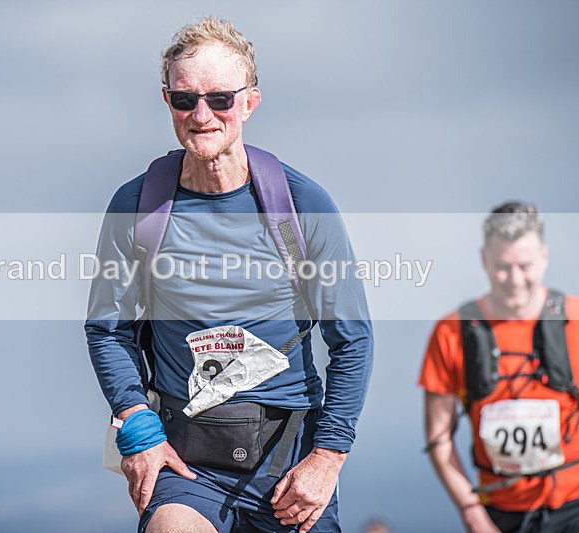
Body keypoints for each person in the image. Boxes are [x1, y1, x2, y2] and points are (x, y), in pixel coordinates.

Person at [84, 16, 373, 533]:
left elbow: (352, 340)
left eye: (219, 99)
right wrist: (138, 429)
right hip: (185, 463)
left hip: (289, 468)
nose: (202, 115)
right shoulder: (137, 206)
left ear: (249, 103)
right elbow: (108, 329)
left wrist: (328, 458)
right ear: (167, 101)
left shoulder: (303, 206)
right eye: (184, 99)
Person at [419, 201, 579, 532]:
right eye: (503, 266)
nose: (514, 279)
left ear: (544, 257)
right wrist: (472, 513)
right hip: (499, 510)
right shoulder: (451, 332)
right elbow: (438, 439)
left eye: (525, 265)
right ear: (483, 260)